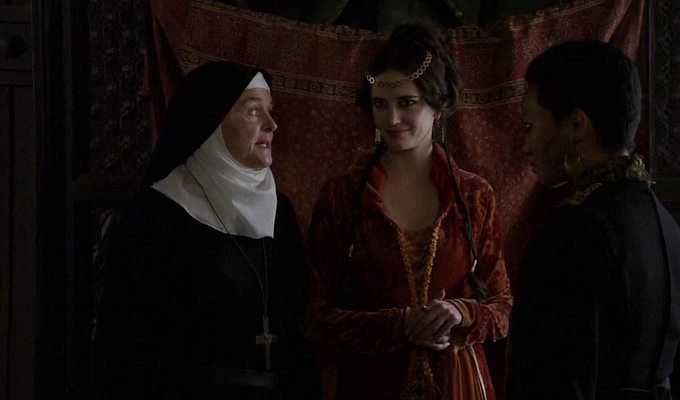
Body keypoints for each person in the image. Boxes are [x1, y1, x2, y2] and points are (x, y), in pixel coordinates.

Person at [304, 24, 513, 400]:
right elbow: (315, 316)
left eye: (406, 103)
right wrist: (399, 325)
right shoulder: (343, 195)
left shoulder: (475, 196)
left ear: (438, 104)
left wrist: (461, 313)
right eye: (380, 104)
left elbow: (503, 310)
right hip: (372, 387)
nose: (391, 119)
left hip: (457, 386)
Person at [92, 61, 320, 400]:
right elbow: (124, 342)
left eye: (269, 111)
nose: (272, 124)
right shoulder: (158, 212)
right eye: (253, 111)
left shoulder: (280, 211)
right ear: (211, 122)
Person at [506, 40, 680, 399]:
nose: (525, 145)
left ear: (576, 124)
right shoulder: (666, 226)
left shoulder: (573, 229)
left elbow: (545, 381)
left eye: (530, 125)